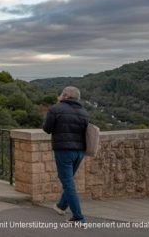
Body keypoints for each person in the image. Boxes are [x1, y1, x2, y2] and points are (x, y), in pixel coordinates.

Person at [42, 86, 89, 226]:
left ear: (66, 96)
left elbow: (47, 129)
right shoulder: (83, 112)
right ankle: (61, 206)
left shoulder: (55, 109)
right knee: (69, 181)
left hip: (64, 150)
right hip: (79, 152)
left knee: (68, 183)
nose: (60, 95)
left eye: (62, 94)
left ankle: (78, 217)